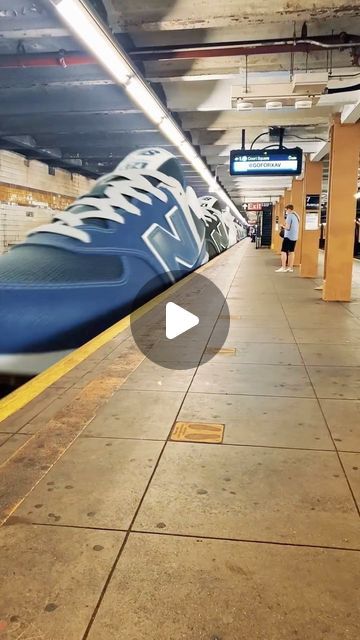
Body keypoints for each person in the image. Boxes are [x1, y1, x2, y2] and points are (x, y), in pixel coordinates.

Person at [276, 204, 300, 273]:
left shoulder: (290, 216)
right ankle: (290, 268)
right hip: (295, 236)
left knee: (283, 251)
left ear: (289, 209)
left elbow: (288, 227)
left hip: (288, 236)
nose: (285, 211)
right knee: (291, 252)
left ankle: (283, 267)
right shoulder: (297, 216)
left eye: (286, 210)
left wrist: (282, 226)